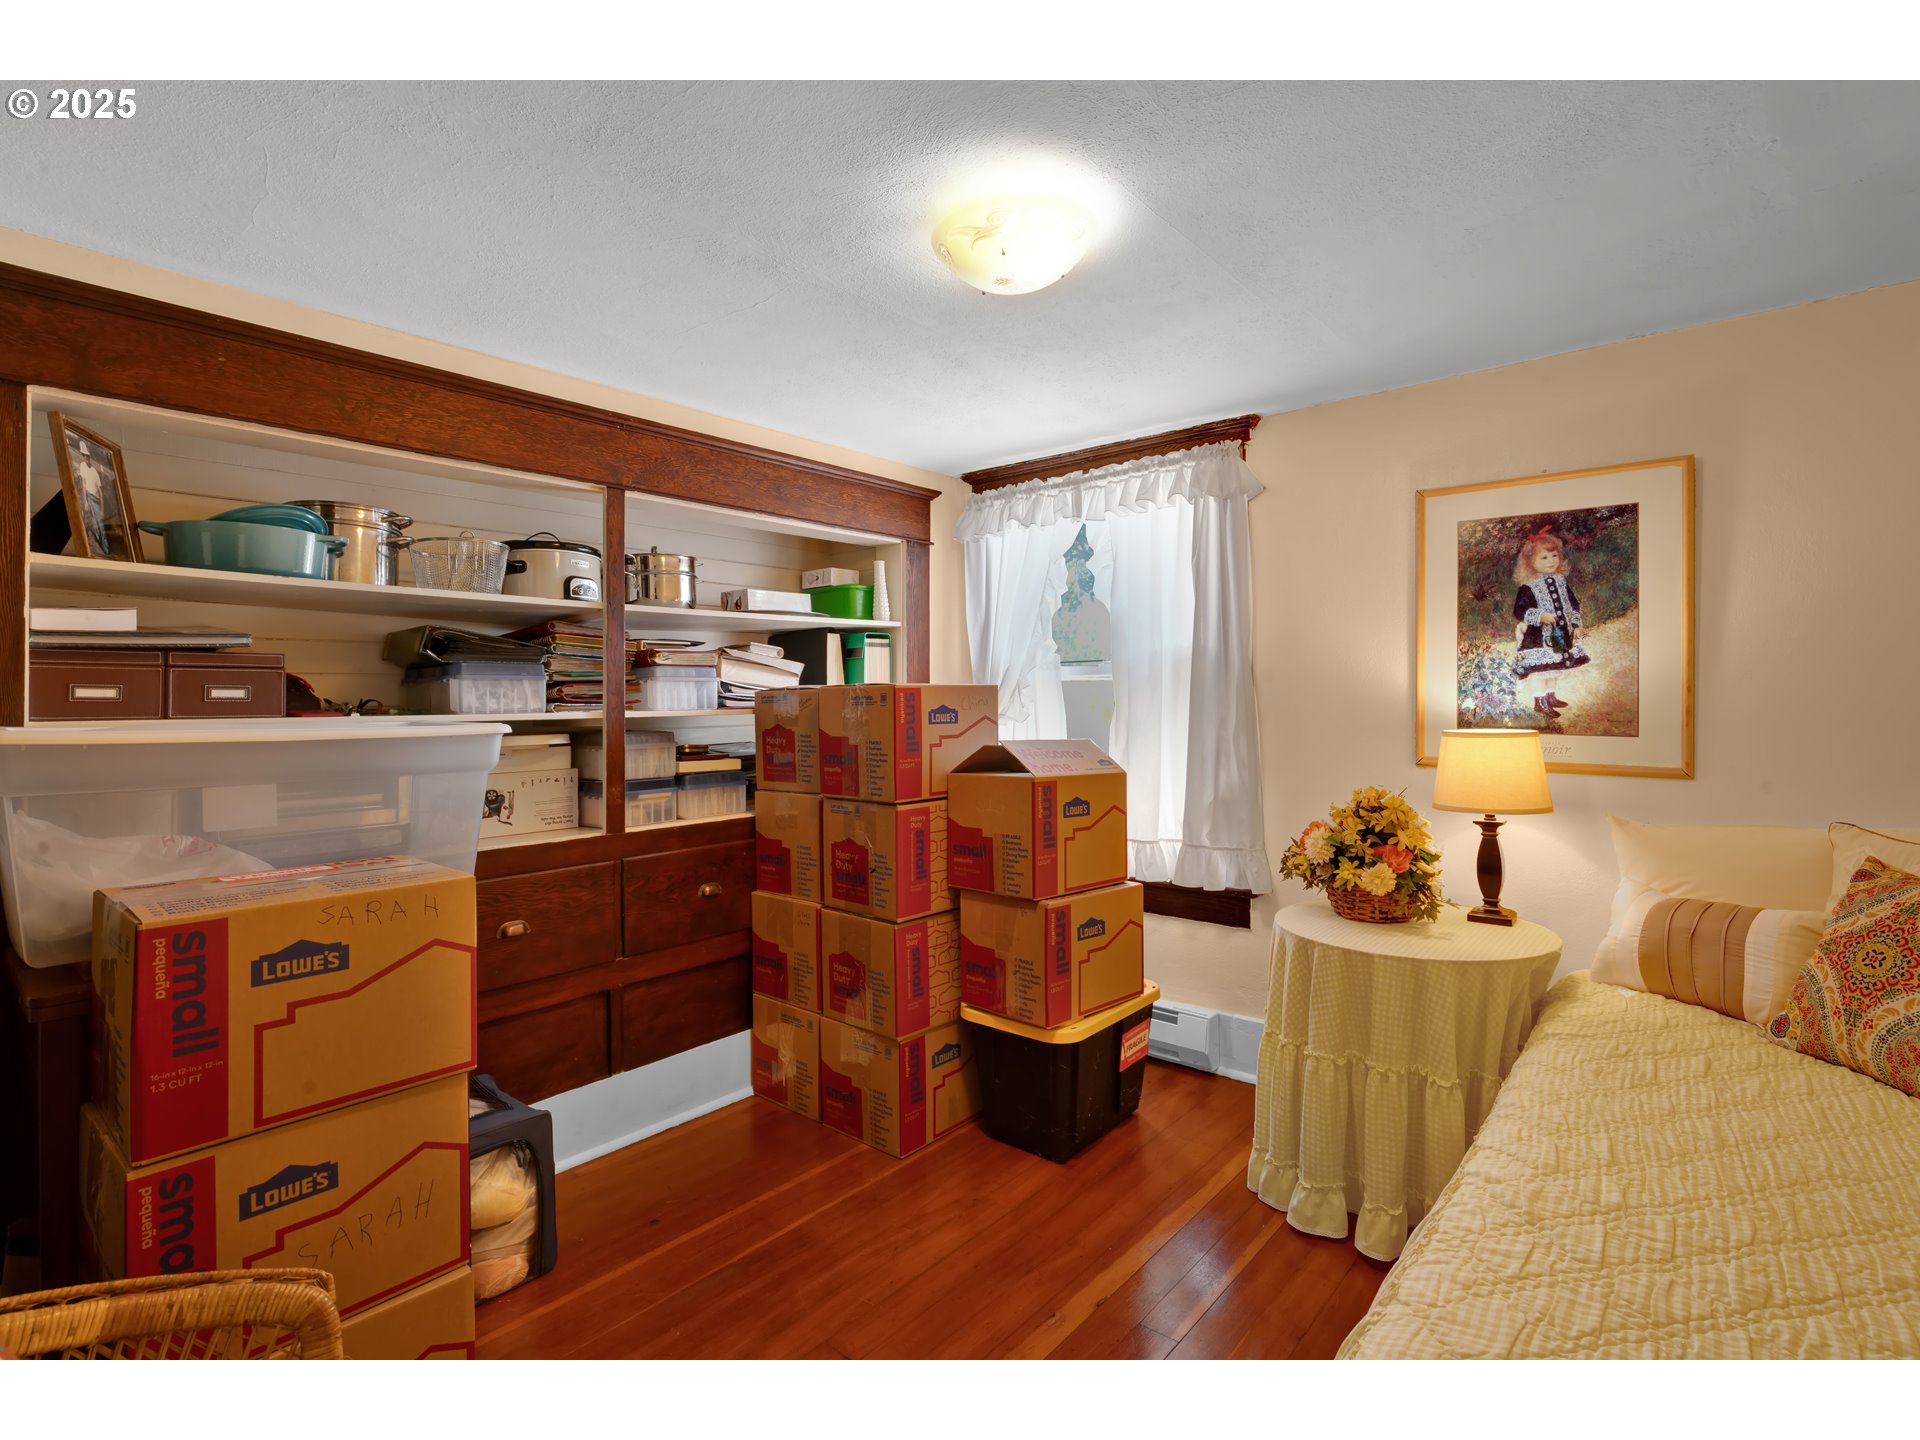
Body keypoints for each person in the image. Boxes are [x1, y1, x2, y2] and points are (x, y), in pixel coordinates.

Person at [1510, 526, 1589, 721]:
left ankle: (1551, 696)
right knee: (1540, 671)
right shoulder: (1528, 587)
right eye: (1543, 558)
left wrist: (1576, 624)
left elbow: (1573, 604)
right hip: (1536, 637)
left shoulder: (1561, 581)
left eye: (1553, 556)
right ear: (1530, 563)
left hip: (1560, 634)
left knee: (1554, 667)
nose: (1550, 561)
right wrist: (1539, 616)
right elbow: (1519, 610)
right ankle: (1539, 701)